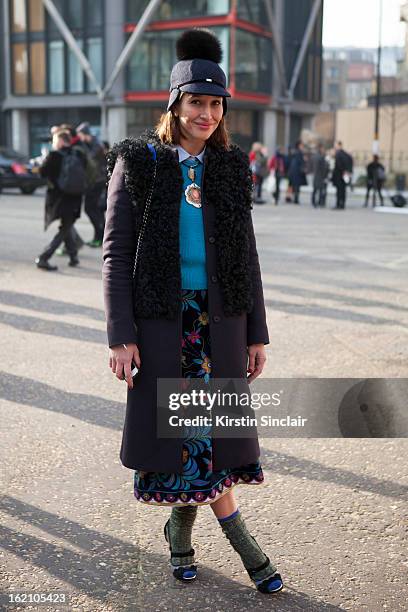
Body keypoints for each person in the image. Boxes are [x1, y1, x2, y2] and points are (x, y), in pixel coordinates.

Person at [103, 28, 284, 595]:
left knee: (207, 434)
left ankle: (180, 534)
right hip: (163, 324)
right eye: (195, 102)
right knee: (191, 435)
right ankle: (246, 550)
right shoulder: (139, 162)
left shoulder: (231, 167)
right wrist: (119, 336)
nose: (205, 113)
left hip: (220, 323)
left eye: (214, 103)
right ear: (174, 105)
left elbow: (246, 256)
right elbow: (115, 253)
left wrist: (257, 331)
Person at [35, 130, 87, 271]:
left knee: (65, 228)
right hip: (75, 197)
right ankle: (73, 256)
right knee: (67, 225)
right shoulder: (79, 154)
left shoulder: (54, 155)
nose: (53, 143)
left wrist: (43, 160)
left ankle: (44, 257)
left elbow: (42, 172)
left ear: (61, 141)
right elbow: (87, 173)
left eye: (54, 140)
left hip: (59, 198)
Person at [76, 122, 107, 247]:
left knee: (91, 209)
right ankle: (99, 236)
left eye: (80, 135)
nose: (79, 138)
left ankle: (100, 237)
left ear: (85, 134)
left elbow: (89, 159)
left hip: (96, 182)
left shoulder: (96, 145)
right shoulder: (91, 143)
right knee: (95, 210)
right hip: (95, 181)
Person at [332, 141, 353, 210]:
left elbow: (338, 165)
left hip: (339, 175)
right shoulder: (346, 154)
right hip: (344, 175)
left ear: (339, 145)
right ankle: (342, 204)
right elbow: (350, 162)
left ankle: (338, 204)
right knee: (343, 191)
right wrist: (348, 171)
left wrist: (343, 171)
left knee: (339, 191)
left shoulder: (338, 154)